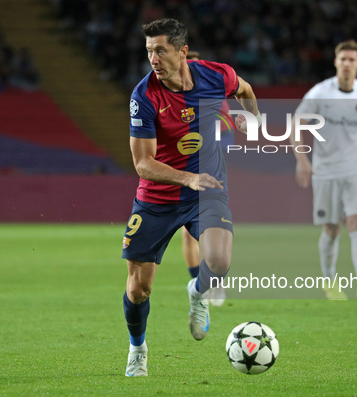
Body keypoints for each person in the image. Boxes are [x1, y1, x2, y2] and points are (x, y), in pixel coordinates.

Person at [122, 18, 259, 377]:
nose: (153, 57)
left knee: (219, 262)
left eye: (161, 50)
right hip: (158, 197)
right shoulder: (144, 96)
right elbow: (142, 164)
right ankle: (138, 348)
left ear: (182, 52)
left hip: (208, 189)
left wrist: (252, 120)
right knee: (139, 290)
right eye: (149, 50)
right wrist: (187, 178)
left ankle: (198, 293)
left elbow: (245, 89)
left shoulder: (216, 75)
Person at [291, 40, 357, 301]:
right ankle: (330, 283)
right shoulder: (320, 93)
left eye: (352, 60)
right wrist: (302, 159)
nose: (347, 64)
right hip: (325, 169)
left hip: (356, 168)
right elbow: (296, 122)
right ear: (336, 62)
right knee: (331, 228)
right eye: (343, 59)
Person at [179, 50, 228, 307]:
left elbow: (228, 136)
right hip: (183, 176)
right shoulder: (171, 101)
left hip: (212, 175)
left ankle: (215, 281)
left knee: (213, 231)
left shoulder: (215, 99)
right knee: (187, 235)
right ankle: (198, 286)